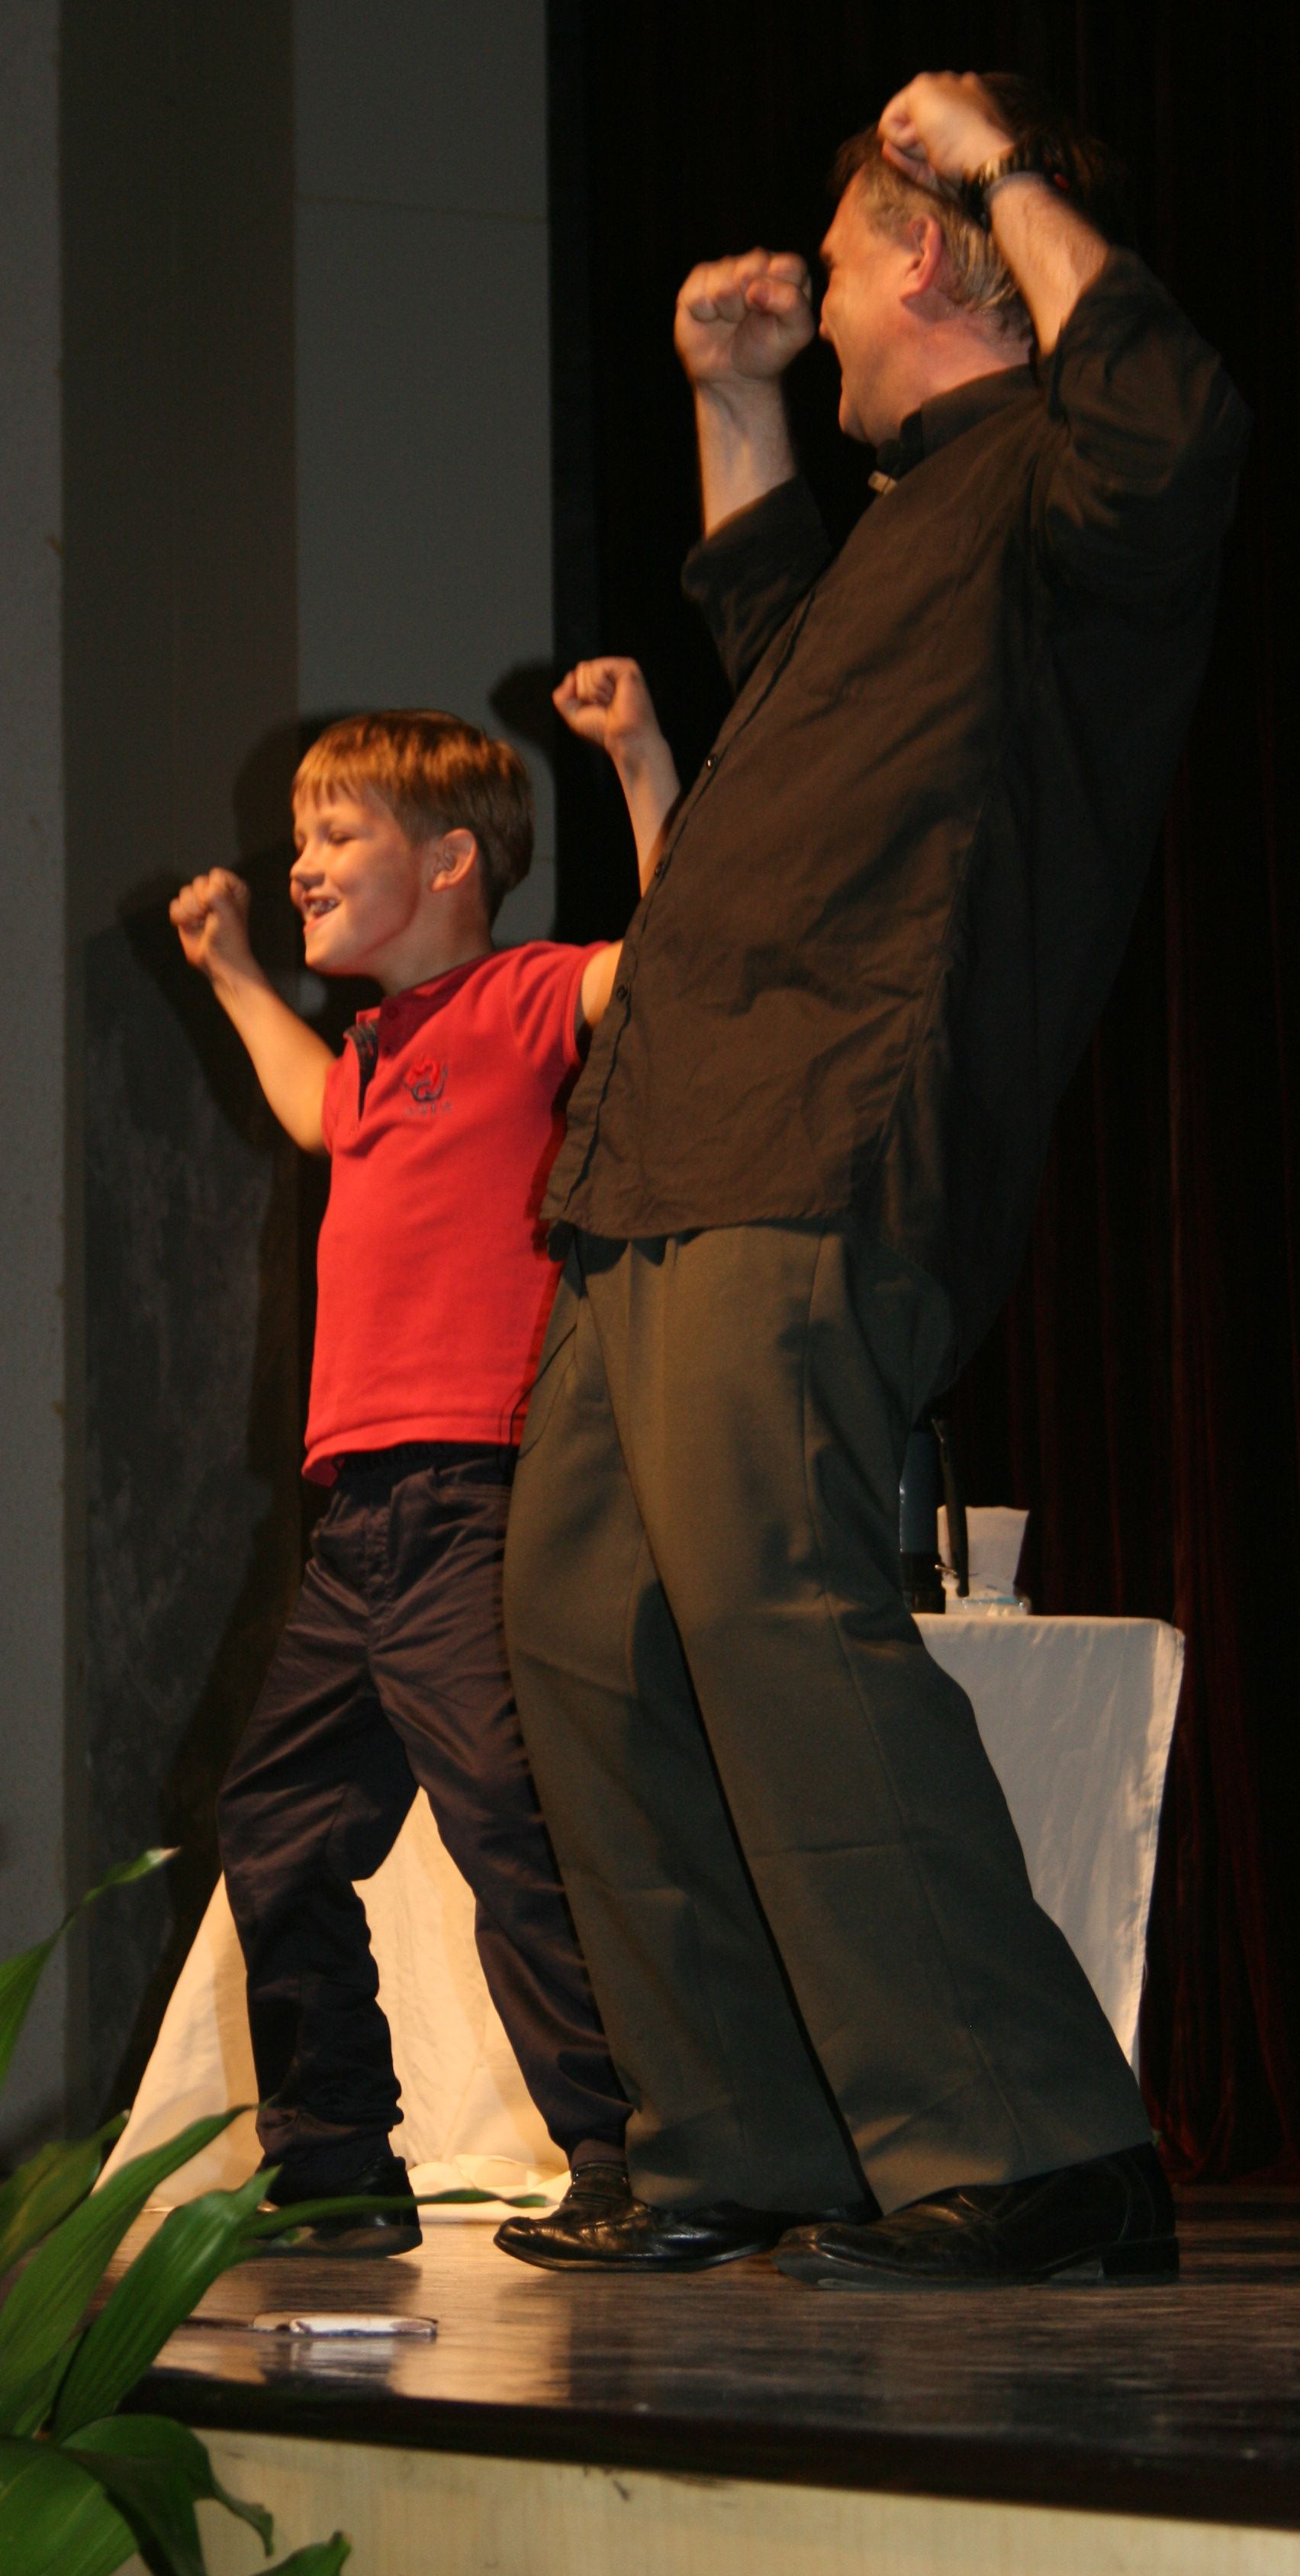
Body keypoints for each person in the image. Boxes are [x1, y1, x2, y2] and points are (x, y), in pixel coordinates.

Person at [494, 71, 1250, 2285]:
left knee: (770, 1597)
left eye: (833, 271)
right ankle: (739, 2136)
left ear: (927, 257)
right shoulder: (915, 520)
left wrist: (996, 162)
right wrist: (732, 402)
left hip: (830, 1115)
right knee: (587, 1622)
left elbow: (1182, 430)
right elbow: (778, 657)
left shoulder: (1064, 476)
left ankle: (1036, 2141)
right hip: (671, 1134)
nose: (815, 307)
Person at [170, 668, 679, 2252]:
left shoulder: (521, 999)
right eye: (299, 838)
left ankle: (639, 2158)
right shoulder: (375, 1053)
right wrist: (232, 969)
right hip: (360, 1526)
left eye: (338, 834)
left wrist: (640, 760)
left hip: (475, 1495)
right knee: (275, 1828)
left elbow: (679, 965)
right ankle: (334, 2168)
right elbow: (313, 1111)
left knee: (514, 1825)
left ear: (451, 859)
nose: (301, 863)